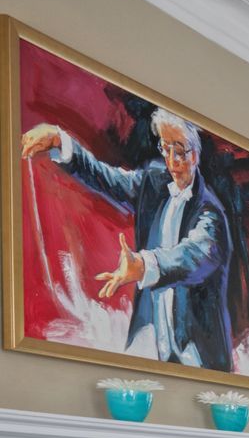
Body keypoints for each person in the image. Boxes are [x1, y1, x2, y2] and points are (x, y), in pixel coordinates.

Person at [20, 108, 236, 372]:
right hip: (152, 343)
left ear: (196, 153)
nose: (172, 161)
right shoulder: (153, 183)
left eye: (179, 151)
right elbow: (105, 178)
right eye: (165, 148)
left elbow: (192, 257)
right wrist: (59, 140)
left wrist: (144, 265)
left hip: (197, 354)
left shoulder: (211, 213)